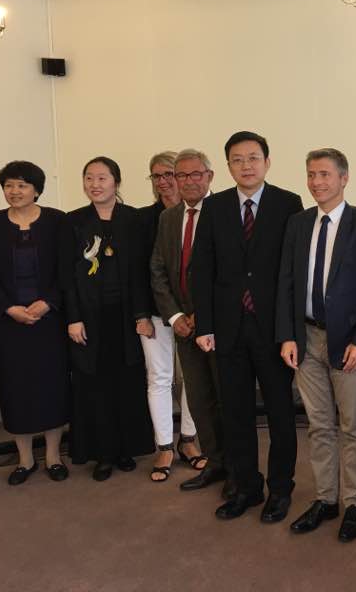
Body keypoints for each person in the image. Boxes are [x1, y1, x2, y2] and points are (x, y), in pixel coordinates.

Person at [277, 148, 356, 542]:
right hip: (305, 339)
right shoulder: (298, 223)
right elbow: (286, 283)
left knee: (353, 426)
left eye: (325, 174)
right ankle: (326, 498)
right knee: (319, 425)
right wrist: (287, 335)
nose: (317, 182)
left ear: (344, 178)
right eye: (311, 174)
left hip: (349, 344)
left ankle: (355, 503)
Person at [192, 131, 302, 523]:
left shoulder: (288, 203)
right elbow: (202, 270)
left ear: (267, 162)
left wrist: (290, 329)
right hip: (228, 328)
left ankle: (281, 490)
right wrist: (205, 324)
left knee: (279, 413)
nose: (246, 165)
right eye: (237, 160)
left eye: (253, 158)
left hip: (273, 330)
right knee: (235, 413)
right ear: (227, 167)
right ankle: (246, 488)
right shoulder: (215, 206)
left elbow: (293, 272)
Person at [60, 156, 155, 481]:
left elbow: (144, 272)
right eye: (89, 178)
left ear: (116, 182)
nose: (95, 184)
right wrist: (73, 318)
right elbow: (67, 276)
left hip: (127, 316)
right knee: (95, 385)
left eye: (102, 178)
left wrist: (143, 314)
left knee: (127, 384)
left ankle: (125, 448)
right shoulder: (72, 222)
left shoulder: (135, 220)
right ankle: (102, 453)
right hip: (89, 318)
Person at [0, 161, 70, 484]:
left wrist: (48, 302)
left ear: (36, 189)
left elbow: (66, 268)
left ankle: (55, 456)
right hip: (10, 322)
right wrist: (7, 308)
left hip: (49, 320)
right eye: (8, 185)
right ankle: (25, 459)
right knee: (16, 388)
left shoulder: (57, 221)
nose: (14, 192)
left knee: (52, 386)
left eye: (21, 185)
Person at [150, 149, 229, 492]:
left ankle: (236, 467)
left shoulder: (226, 211)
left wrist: (205, 314)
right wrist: (176, 315)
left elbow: (233, 273)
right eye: (181, 176)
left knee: (227, 398)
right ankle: (214, 462)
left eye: (196, 174)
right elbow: (158, 270)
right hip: (183, 327)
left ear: (210, 176)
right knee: (198, 399)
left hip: (219, 326)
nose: (188, 181)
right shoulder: (169, 218)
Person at [138, 151, 202, 483]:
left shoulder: (207, 212)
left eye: (170, 174)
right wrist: (142, 314)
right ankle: (164, 445)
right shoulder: (146, 218)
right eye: (157, 176)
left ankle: (189, 440)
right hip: (155, 312)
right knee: (159, 378)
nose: (164, 181)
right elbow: (141, 271)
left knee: (193, 377)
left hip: (196, 314)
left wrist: (194, 313)